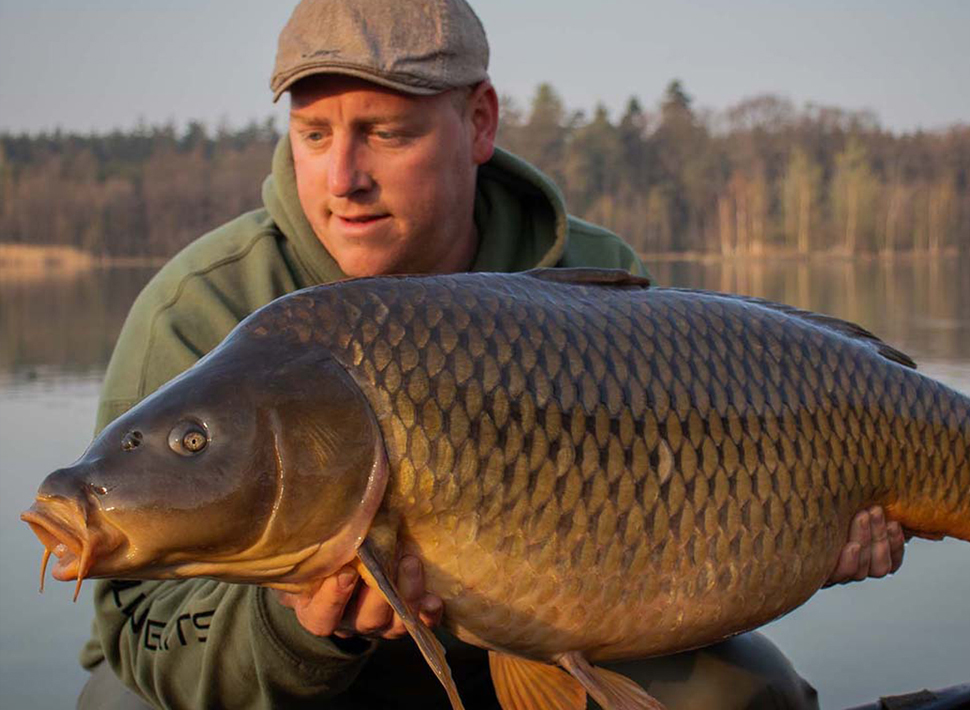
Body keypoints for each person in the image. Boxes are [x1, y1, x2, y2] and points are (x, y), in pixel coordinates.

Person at [77, 1, 906, 708]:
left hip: (541, 640)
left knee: (740, 693)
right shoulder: (204, 309)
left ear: (478, 124)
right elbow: (138, 625)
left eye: (384, 134)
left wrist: (794, 541)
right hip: (293, 677)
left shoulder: (588, 290)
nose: (342, 177)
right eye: (314, 133)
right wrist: (298, 624)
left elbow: (675, 531)